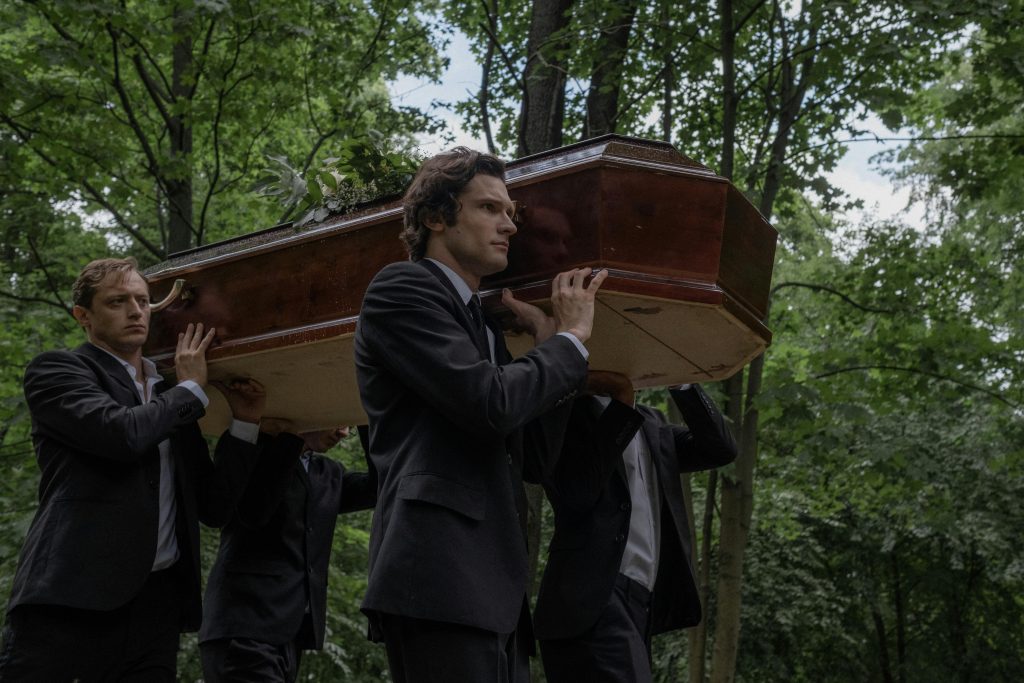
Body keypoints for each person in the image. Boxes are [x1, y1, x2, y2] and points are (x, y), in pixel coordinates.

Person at [354, 146, 608, 683]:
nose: (509, 225)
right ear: (435, 217)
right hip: (438, 574)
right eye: (490, 208)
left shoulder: (483, 328)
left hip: (494, 589)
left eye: (510, 212)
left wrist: (545, 342)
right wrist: (568, 342)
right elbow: (491, 405)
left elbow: (534, 459)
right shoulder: (401, 289)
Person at [0, 257, 264, 682]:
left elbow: (213, 505)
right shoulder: (58, 370)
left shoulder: (167, 393)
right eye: (118, 301)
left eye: (143, 301)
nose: (136, 311)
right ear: (83, 316)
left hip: (155, 612)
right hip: (71, 602)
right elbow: (122, 435)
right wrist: (192, 387)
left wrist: (245, 423)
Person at [534, 371, 738, 683]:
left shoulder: (653, 426)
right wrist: (622, 403)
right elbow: (576, 494)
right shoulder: (565, 414)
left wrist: (680, 377)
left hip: (641, 604)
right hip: (592, 600)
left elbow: (720, 448)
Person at [199, 424, 376, 682]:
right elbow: (254, 512)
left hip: (289, 637)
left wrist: (366, 419)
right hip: (243, 629)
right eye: (337, 420)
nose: (343, 432)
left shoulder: (327, 474)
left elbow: (379, 485)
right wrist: (293, 436)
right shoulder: (253, 449)